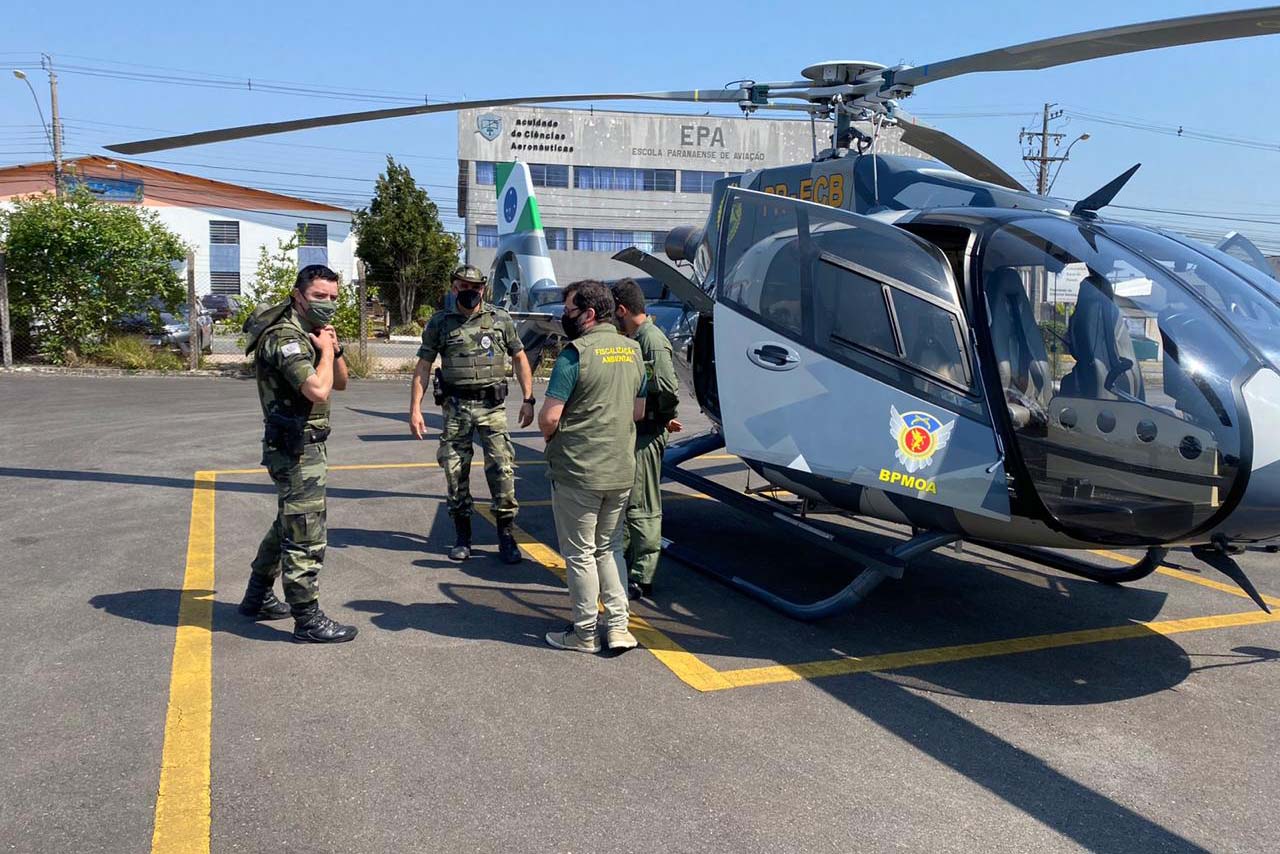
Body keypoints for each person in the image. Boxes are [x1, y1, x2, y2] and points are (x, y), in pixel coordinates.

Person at [239, 264, 357, 643]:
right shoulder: (284, 337)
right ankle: (308, 620)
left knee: (286, 524)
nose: (327, 304)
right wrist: (322, 351)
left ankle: (257, 597)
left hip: (307, 446)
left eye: (333, 298)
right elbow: (317, 391)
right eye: (319, 296)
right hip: (294, 449)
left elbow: (339, 383)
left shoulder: (314, 333)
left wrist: (333, 349)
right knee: (305, 532)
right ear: (297, 295)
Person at [538, 280, 647, 654]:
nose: (563, 318)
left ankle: (584, 632)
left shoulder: (575, 354)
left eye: (568, 311)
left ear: (587, 314)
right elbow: (638, 411)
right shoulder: (633, 350)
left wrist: (555, 438)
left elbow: (549, 418)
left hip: (579, 471)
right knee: (610, 547)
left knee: (580, 553)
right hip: (620, 469)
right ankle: (618, 627)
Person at [410, 265, 534, 564]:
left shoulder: (500, 319)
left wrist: (529, 399)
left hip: (492, 408)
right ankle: (462, 536)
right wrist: (415, 408)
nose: (469, 292)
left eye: (475, 287)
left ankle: (506, 536)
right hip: (455, 409)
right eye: (462, 286)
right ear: (453, 288)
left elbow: (519, 358)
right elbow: (424, 367)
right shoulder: (440, 323)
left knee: (502, 470)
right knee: (455, 472)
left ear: (483, 289)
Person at [610, 279, 682, 600]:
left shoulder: (650, 341)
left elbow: (666, 388)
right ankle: (627, 563)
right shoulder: (636, 339)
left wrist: (660, 417)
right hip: (637, 432)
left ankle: (643, 574)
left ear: (623, 310)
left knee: (643, 504)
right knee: (628, 501)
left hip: (647, 433)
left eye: (614, 313)